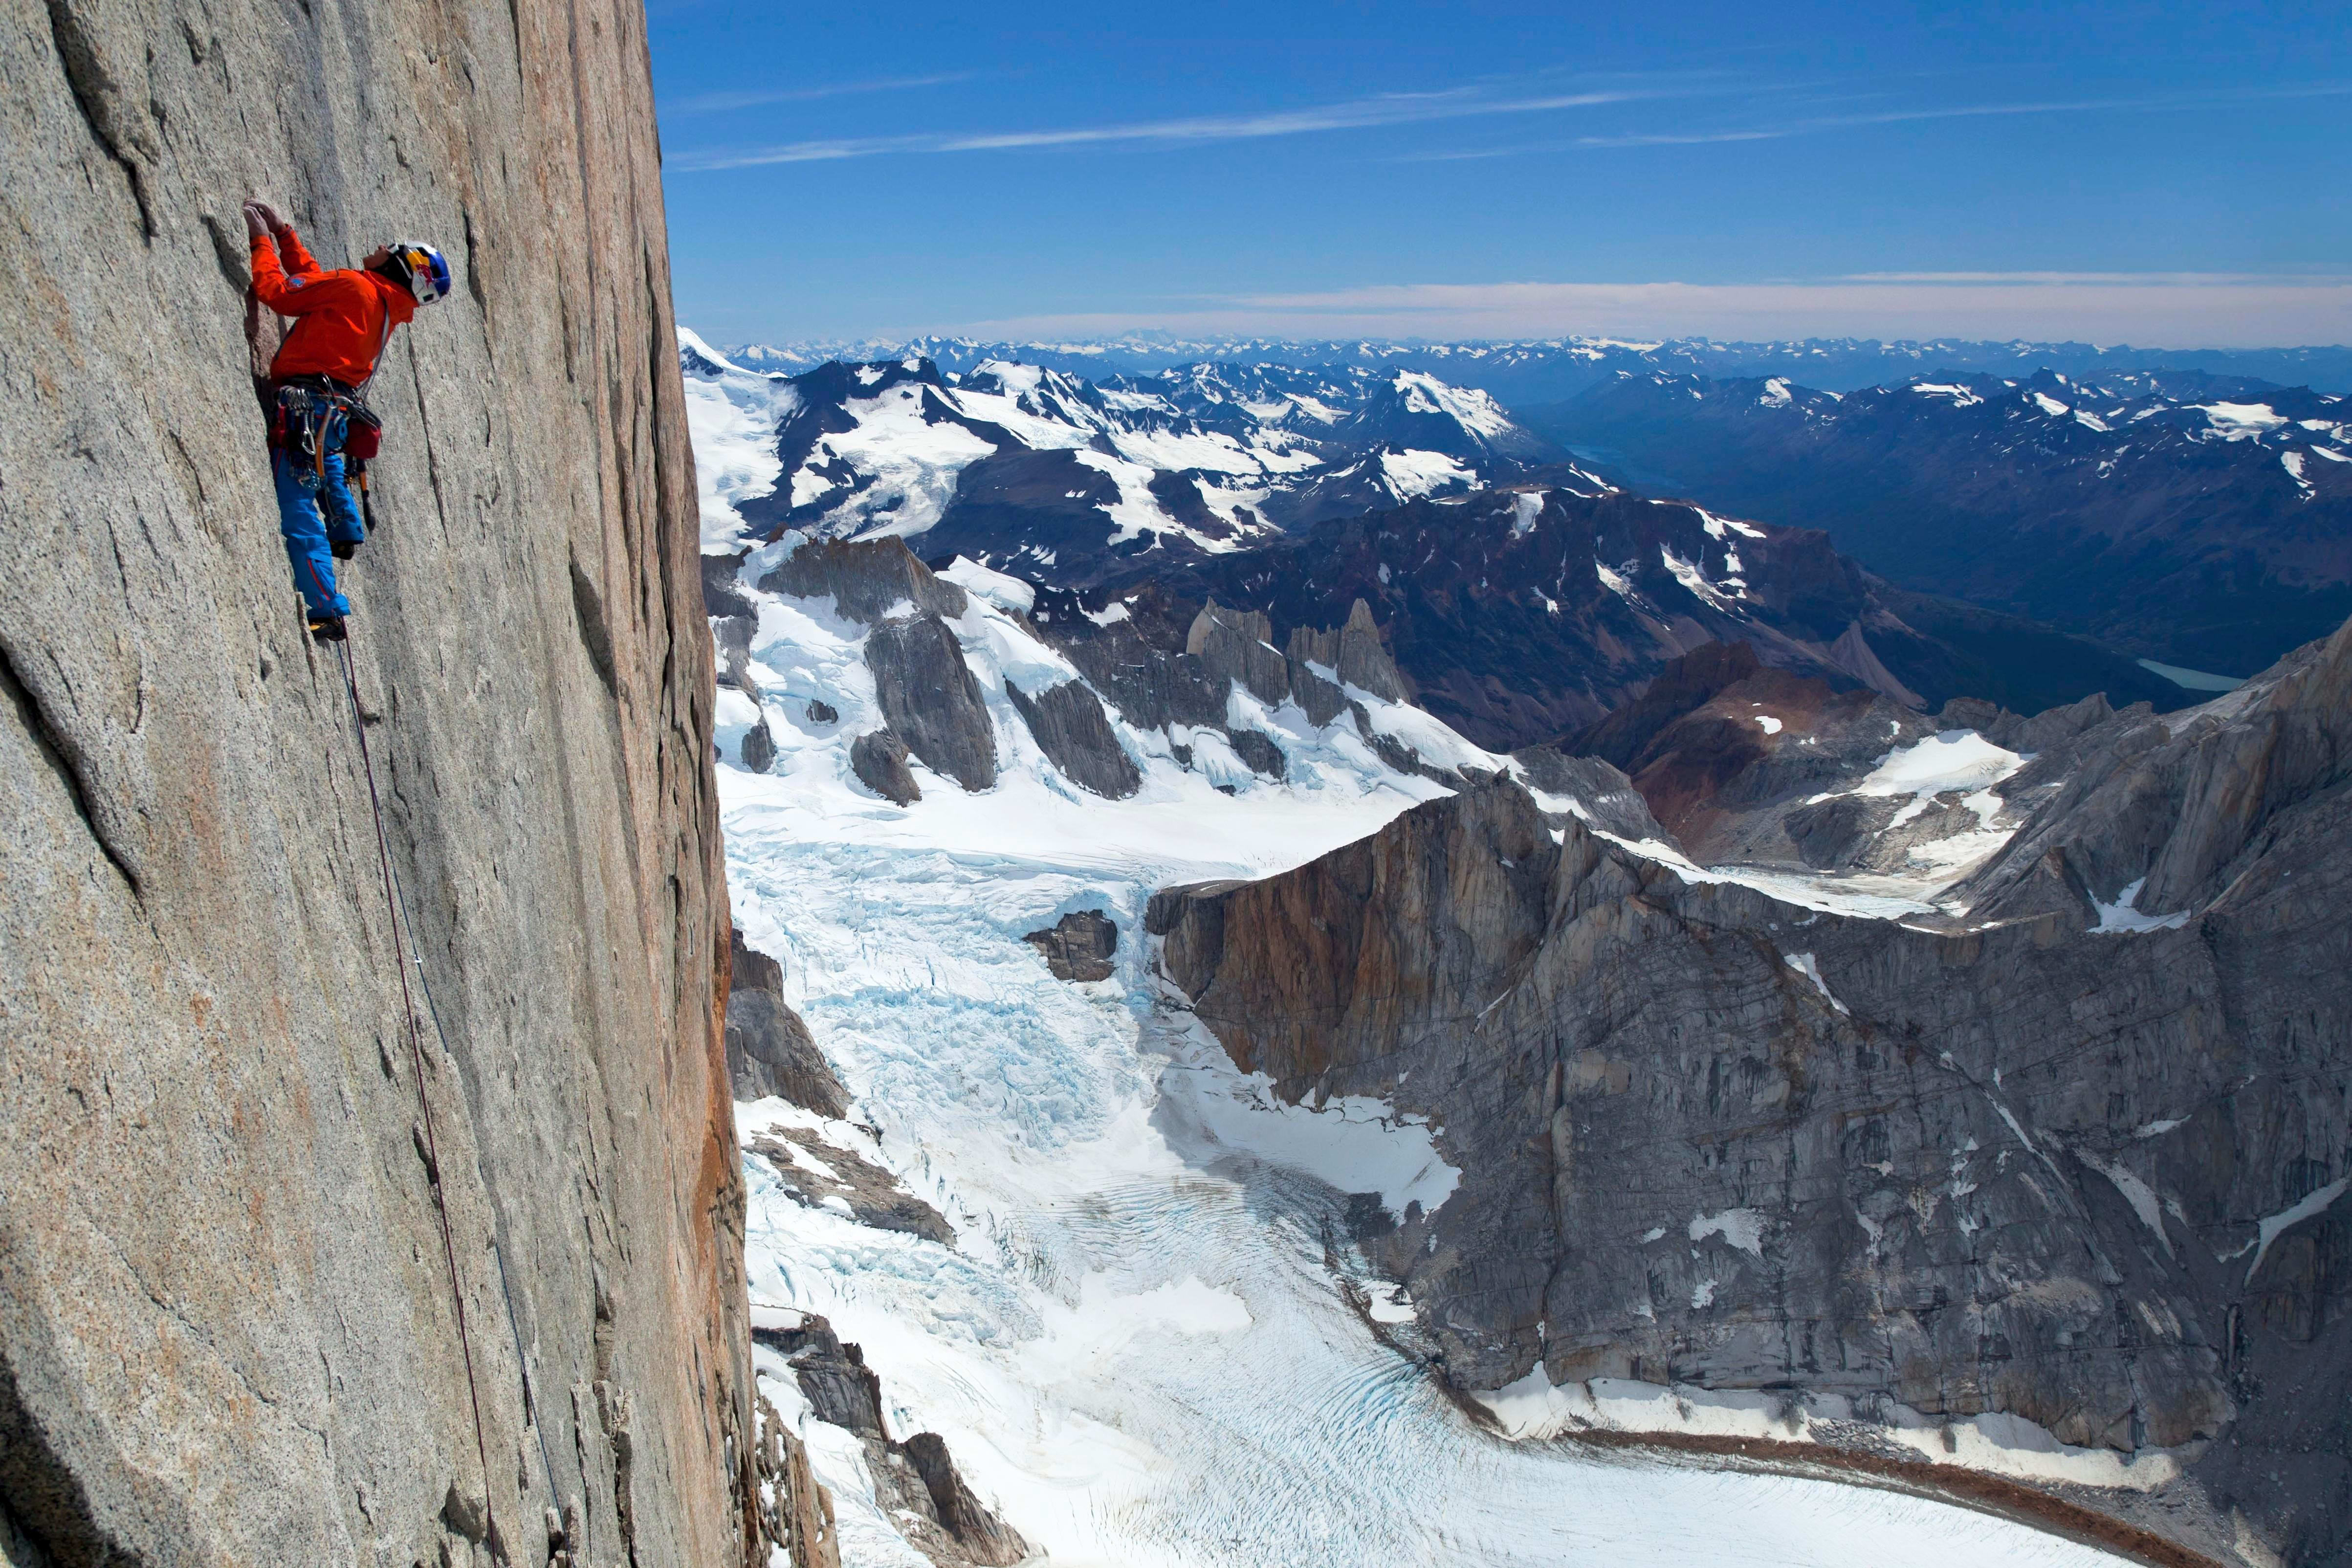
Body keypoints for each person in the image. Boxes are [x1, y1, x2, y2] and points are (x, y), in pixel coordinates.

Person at [244, 200, 451, 642]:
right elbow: (320, 288)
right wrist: (286, 236)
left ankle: (325, 609)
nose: (379, 246)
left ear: (399, 265)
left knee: (298, 507)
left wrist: (261, 241)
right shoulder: (383, 306)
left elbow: (280, 293)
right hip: (330, 411)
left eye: (390, 247)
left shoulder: (357, 287)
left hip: (304, 409)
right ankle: (346, 526)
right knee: (326, 467)